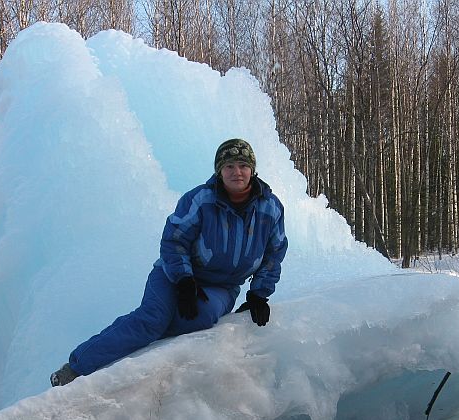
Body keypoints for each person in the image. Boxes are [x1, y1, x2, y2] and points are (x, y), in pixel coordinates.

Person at [50, 138, 288, 386]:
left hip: (222, 287)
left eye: (243, 165)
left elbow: (275, 252)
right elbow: (174, 241)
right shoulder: (200, 200)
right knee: (152, 318)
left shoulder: (270, 208)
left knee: (201, 318)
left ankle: (136, 347)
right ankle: (76, 367)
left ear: (252, 170)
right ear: (219, 171)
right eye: (229, 166)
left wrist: (258, 294)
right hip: (174, 275)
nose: (236, 172)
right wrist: (184, 280)